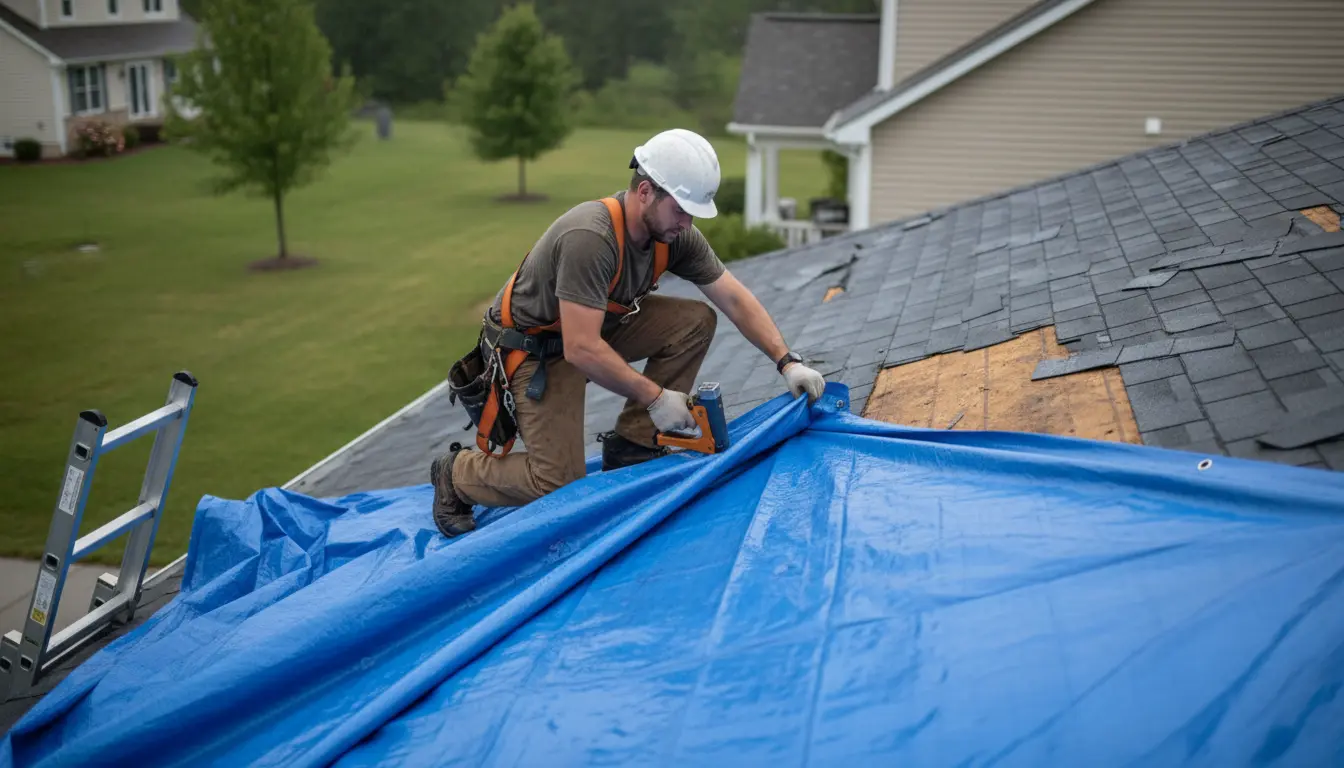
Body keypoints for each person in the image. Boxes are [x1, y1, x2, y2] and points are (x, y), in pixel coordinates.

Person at [430, 128, 826, 537]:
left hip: (594, 325)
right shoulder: (591, 237)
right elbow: (581, 348)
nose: (687, 223)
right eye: (680, 210)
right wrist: (654, 397)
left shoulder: (673, 234)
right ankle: (455, 474)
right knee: (556, 484)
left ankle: (634, 445)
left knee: (695, 321)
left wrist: (787, 362)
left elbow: (734, 299)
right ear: (645, 192)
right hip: (537, 349)